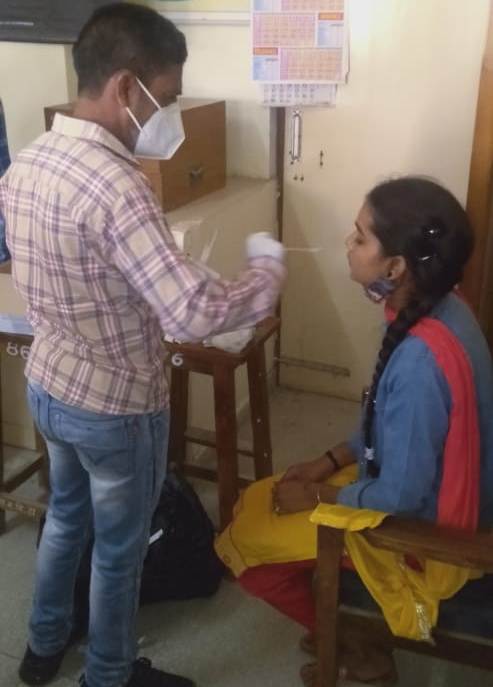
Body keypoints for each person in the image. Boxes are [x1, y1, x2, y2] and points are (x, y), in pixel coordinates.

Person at [0, 4, 285, 687]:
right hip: (116, 408)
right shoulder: (118, 185)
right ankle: (109, 673)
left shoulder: (26, 164)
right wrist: (265, 275)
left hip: (49, 385)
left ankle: (42, 646)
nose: (171, 116)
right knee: (119, 549)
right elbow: (190, 312)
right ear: (127, 86)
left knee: (65, 520)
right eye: (169, 96)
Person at [215, 176, 493, 685]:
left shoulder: (420, 363)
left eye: (361, 237)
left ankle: (353, 642)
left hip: (424, 534)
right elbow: (387, 427)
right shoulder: (444, 308)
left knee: (247, 542)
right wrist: (329, 461)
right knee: (260, 498)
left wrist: (317, 496)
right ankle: (342, 624)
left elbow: (401, 496)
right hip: (423, 490)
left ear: (395, 267)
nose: (348, 243)